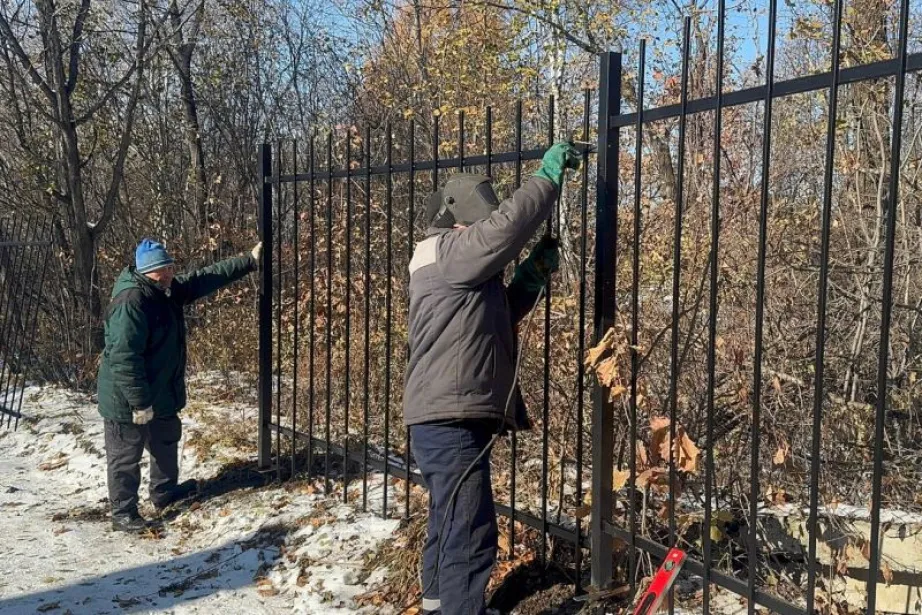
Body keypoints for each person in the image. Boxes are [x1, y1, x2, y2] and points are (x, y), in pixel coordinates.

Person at [404, 142, 581, 614]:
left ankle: (439, 603)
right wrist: (547, 179)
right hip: (450, 417)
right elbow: (507, 228)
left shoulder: (450, 268)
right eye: (479, 224)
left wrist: (529, 278)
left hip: (442, 417)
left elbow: (493, 316)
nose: (485, 233)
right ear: (458, 221)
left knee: (451, 517)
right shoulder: (447, 250)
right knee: (470, 529)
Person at [97, 238, 262, 532]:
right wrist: (139, 402)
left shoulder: (164, 290)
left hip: (159, 391)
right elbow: (124, 357)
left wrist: (248, 259)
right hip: (126, 397)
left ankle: (164, 493)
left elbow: (203, 279)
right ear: (148, 272)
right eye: (164, 269)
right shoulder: (132, 302)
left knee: (165, 439)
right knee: (125, 454)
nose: (171, 272)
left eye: (171, 266)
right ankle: (123, 513)